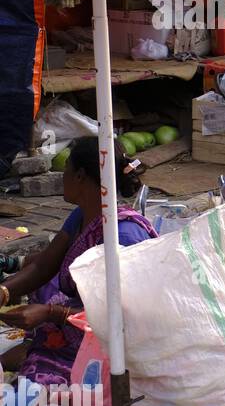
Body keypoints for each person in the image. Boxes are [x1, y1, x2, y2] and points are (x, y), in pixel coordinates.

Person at [0, 137, 157, 387]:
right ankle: (40, 346)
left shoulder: (124, 237)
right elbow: (44, 265)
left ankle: (50, 356)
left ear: (81, 176)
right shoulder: (82, 213)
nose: (63, 177)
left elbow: (125, 318)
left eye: (66, 170)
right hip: (78, 315)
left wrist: (52, 313)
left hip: (112, 340)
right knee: (47, 283)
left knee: (37, 391)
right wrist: (5, 291)